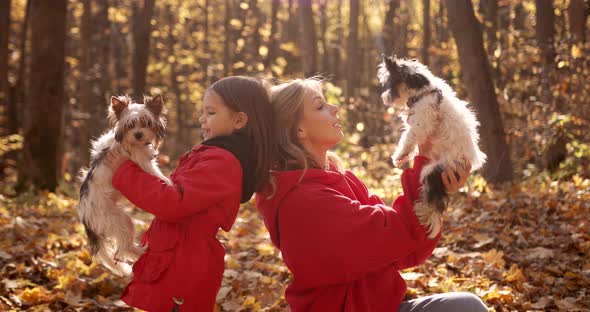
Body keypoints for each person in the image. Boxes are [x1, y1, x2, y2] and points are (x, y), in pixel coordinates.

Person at [256, 77, 488, 311]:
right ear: (299, 129)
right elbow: (396, 230)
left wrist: (437, 187)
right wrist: (426, 166)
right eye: (320, 106)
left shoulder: (340, 179)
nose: (334, 108)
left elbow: (405, 251)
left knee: (467, 305)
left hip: (380, 305)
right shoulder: (304, 201)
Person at [105, 76, 275, 311]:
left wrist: (124, 173)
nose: (201, 119)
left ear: (239, 120)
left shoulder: (221, 161)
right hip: (175, 256)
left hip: (183, 266)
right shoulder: (213, 155)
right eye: (203, 112)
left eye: (211, 113)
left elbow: (172, 202)